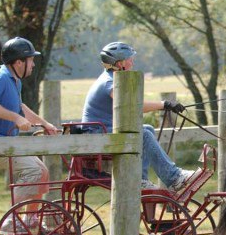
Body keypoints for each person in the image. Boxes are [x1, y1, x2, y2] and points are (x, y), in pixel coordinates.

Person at [82, 41, 197, 191]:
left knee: (147, 129)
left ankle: (141, 179)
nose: (132, 62)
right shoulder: (109, 83)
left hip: (102, 131)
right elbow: (134, 106)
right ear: (120, 63)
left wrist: (166, 105)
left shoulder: (112, 79)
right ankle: (174, 177)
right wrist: (164, 104)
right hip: (97, 134)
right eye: (130, 59)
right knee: (142, 134)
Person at [0, 37, 59, 233]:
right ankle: (12, 220)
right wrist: (15, 118)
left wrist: (44, 123)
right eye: (31, 59)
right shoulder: (1, 77)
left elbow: (20, 108)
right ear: (19, 62)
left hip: (4, 142)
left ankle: (30, 219)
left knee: (42, 170)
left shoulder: (14, 81)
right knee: (33, 171)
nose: (33, 64)